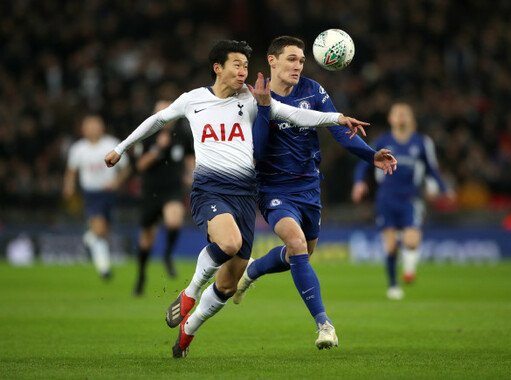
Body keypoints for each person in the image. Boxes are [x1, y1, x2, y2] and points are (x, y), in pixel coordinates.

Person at [104, 40, 372, 358]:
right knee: (229, 242)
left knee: (228, 284)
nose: (243, 71)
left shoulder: (252, 98)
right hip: (209, 188)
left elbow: (296, 115)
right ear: (218, 68)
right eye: (237, 65)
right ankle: (189, 293)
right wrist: (120, 148)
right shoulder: (193, 100)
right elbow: (158, 121)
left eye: (246, 65)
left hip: (245, 193)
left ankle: (187, 331)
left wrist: (337, 118)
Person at [231, 36, 397, 349]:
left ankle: (251, 270)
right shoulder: (251, 98)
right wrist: (265, 108)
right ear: (272, 60)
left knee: (301, 253)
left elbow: (339, 130)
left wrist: (370, 154)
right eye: (291, 59)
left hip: (308, 187)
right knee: (294, 243)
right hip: (273, 189)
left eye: (302, 61)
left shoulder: (313, 90)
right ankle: (324, 325)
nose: (298, 66)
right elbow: (259, 149)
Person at [351, 103, 455, 300]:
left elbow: (432, 169)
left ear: (411, 118)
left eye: (405, 114)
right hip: (386, 198)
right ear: (390, 119)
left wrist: (444, 188)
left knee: (411, 242)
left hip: (411, 198)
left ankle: (408, 268)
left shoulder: (421, 142)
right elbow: (363, 163)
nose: (401, 117)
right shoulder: (382, 140)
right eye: (397, 114)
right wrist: (359, 184)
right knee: (390, 247)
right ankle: (392, 285)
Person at [132, 100, 195, 296]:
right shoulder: (146, 135)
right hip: (151, 191)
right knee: (146, 240)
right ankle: (141, 276)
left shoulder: (183, 133)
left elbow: (190, 157)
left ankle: (167, 255)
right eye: (161, 112)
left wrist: (191, 174)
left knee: (174, 220)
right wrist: (158, 149)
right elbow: (140, 166)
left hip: (173, 190)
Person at [63, 115, 130, 279]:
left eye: (95, 125)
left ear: (102, 127)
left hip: (108, 194)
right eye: (89, 126)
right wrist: (69, 186)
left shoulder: (111, 144)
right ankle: (104, 268)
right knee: (99, 228)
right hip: (91, 194)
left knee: (104, 231)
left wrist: (116, 182)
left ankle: (89, 238)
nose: (93, 129)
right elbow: (71, 171)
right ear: (83, 129)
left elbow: (126, 168)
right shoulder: (79, 148)